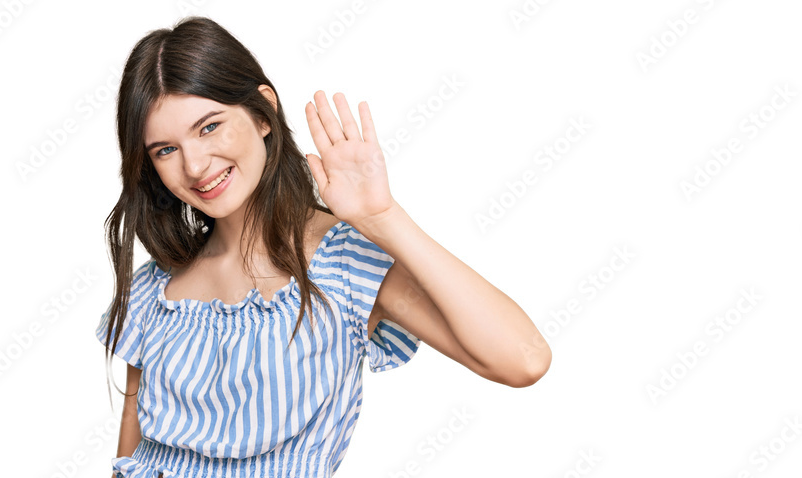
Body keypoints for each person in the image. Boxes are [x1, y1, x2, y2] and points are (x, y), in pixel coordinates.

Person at [96, 16, 551, 478]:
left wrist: (383, 219)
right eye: (164, 150)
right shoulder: (157, 289)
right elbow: (129, 462)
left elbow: (524, 359)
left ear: (261, 113)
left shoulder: (344, 263)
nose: (194, 165)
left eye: (209, 127)